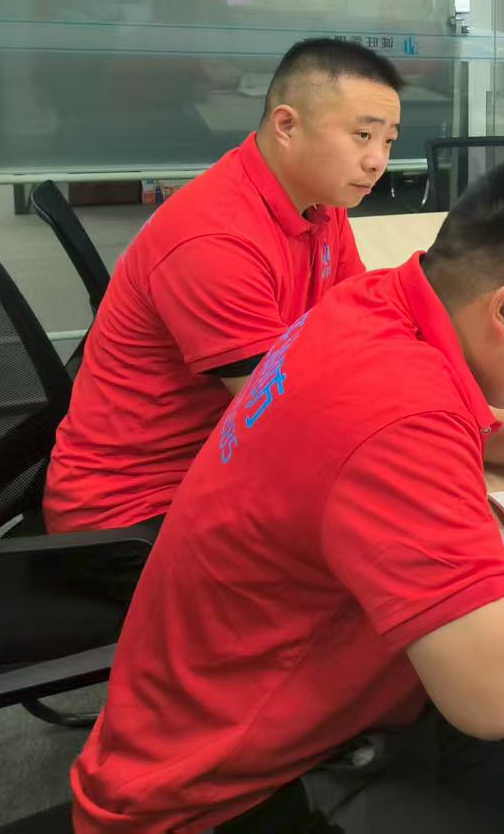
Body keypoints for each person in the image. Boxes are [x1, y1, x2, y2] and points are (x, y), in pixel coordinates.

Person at [69, 164, 504, 832]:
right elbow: (492, 692)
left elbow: (440, 413)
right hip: (217, 797)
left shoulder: (373, 304)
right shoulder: (400, 418)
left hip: (215, 714)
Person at [44, 37, 402, 534]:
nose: (377, 161)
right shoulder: (216, 239)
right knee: (389, 537)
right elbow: (287, 420)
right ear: (286, 125)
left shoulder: (322, 201)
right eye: (362, 135)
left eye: (388, 141)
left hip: (221, 462)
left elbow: (361, 323)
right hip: (133, 513)